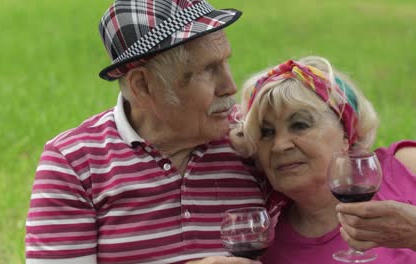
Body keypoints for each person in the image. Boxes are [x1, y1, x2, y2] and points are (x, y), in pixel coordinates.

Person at [25, 0, 272, 263]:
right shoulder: (74, 164)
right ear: (143, 85)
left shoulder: (254, 138)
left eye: (225, 63)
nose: (230, 86)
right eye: (209, 70)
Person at [229, 56, 416, 263]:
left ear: (346, 133)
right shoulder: (270, 246)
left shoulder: (405, 166)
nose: (280, 145)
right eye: (266, 132)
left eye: (300, 125)